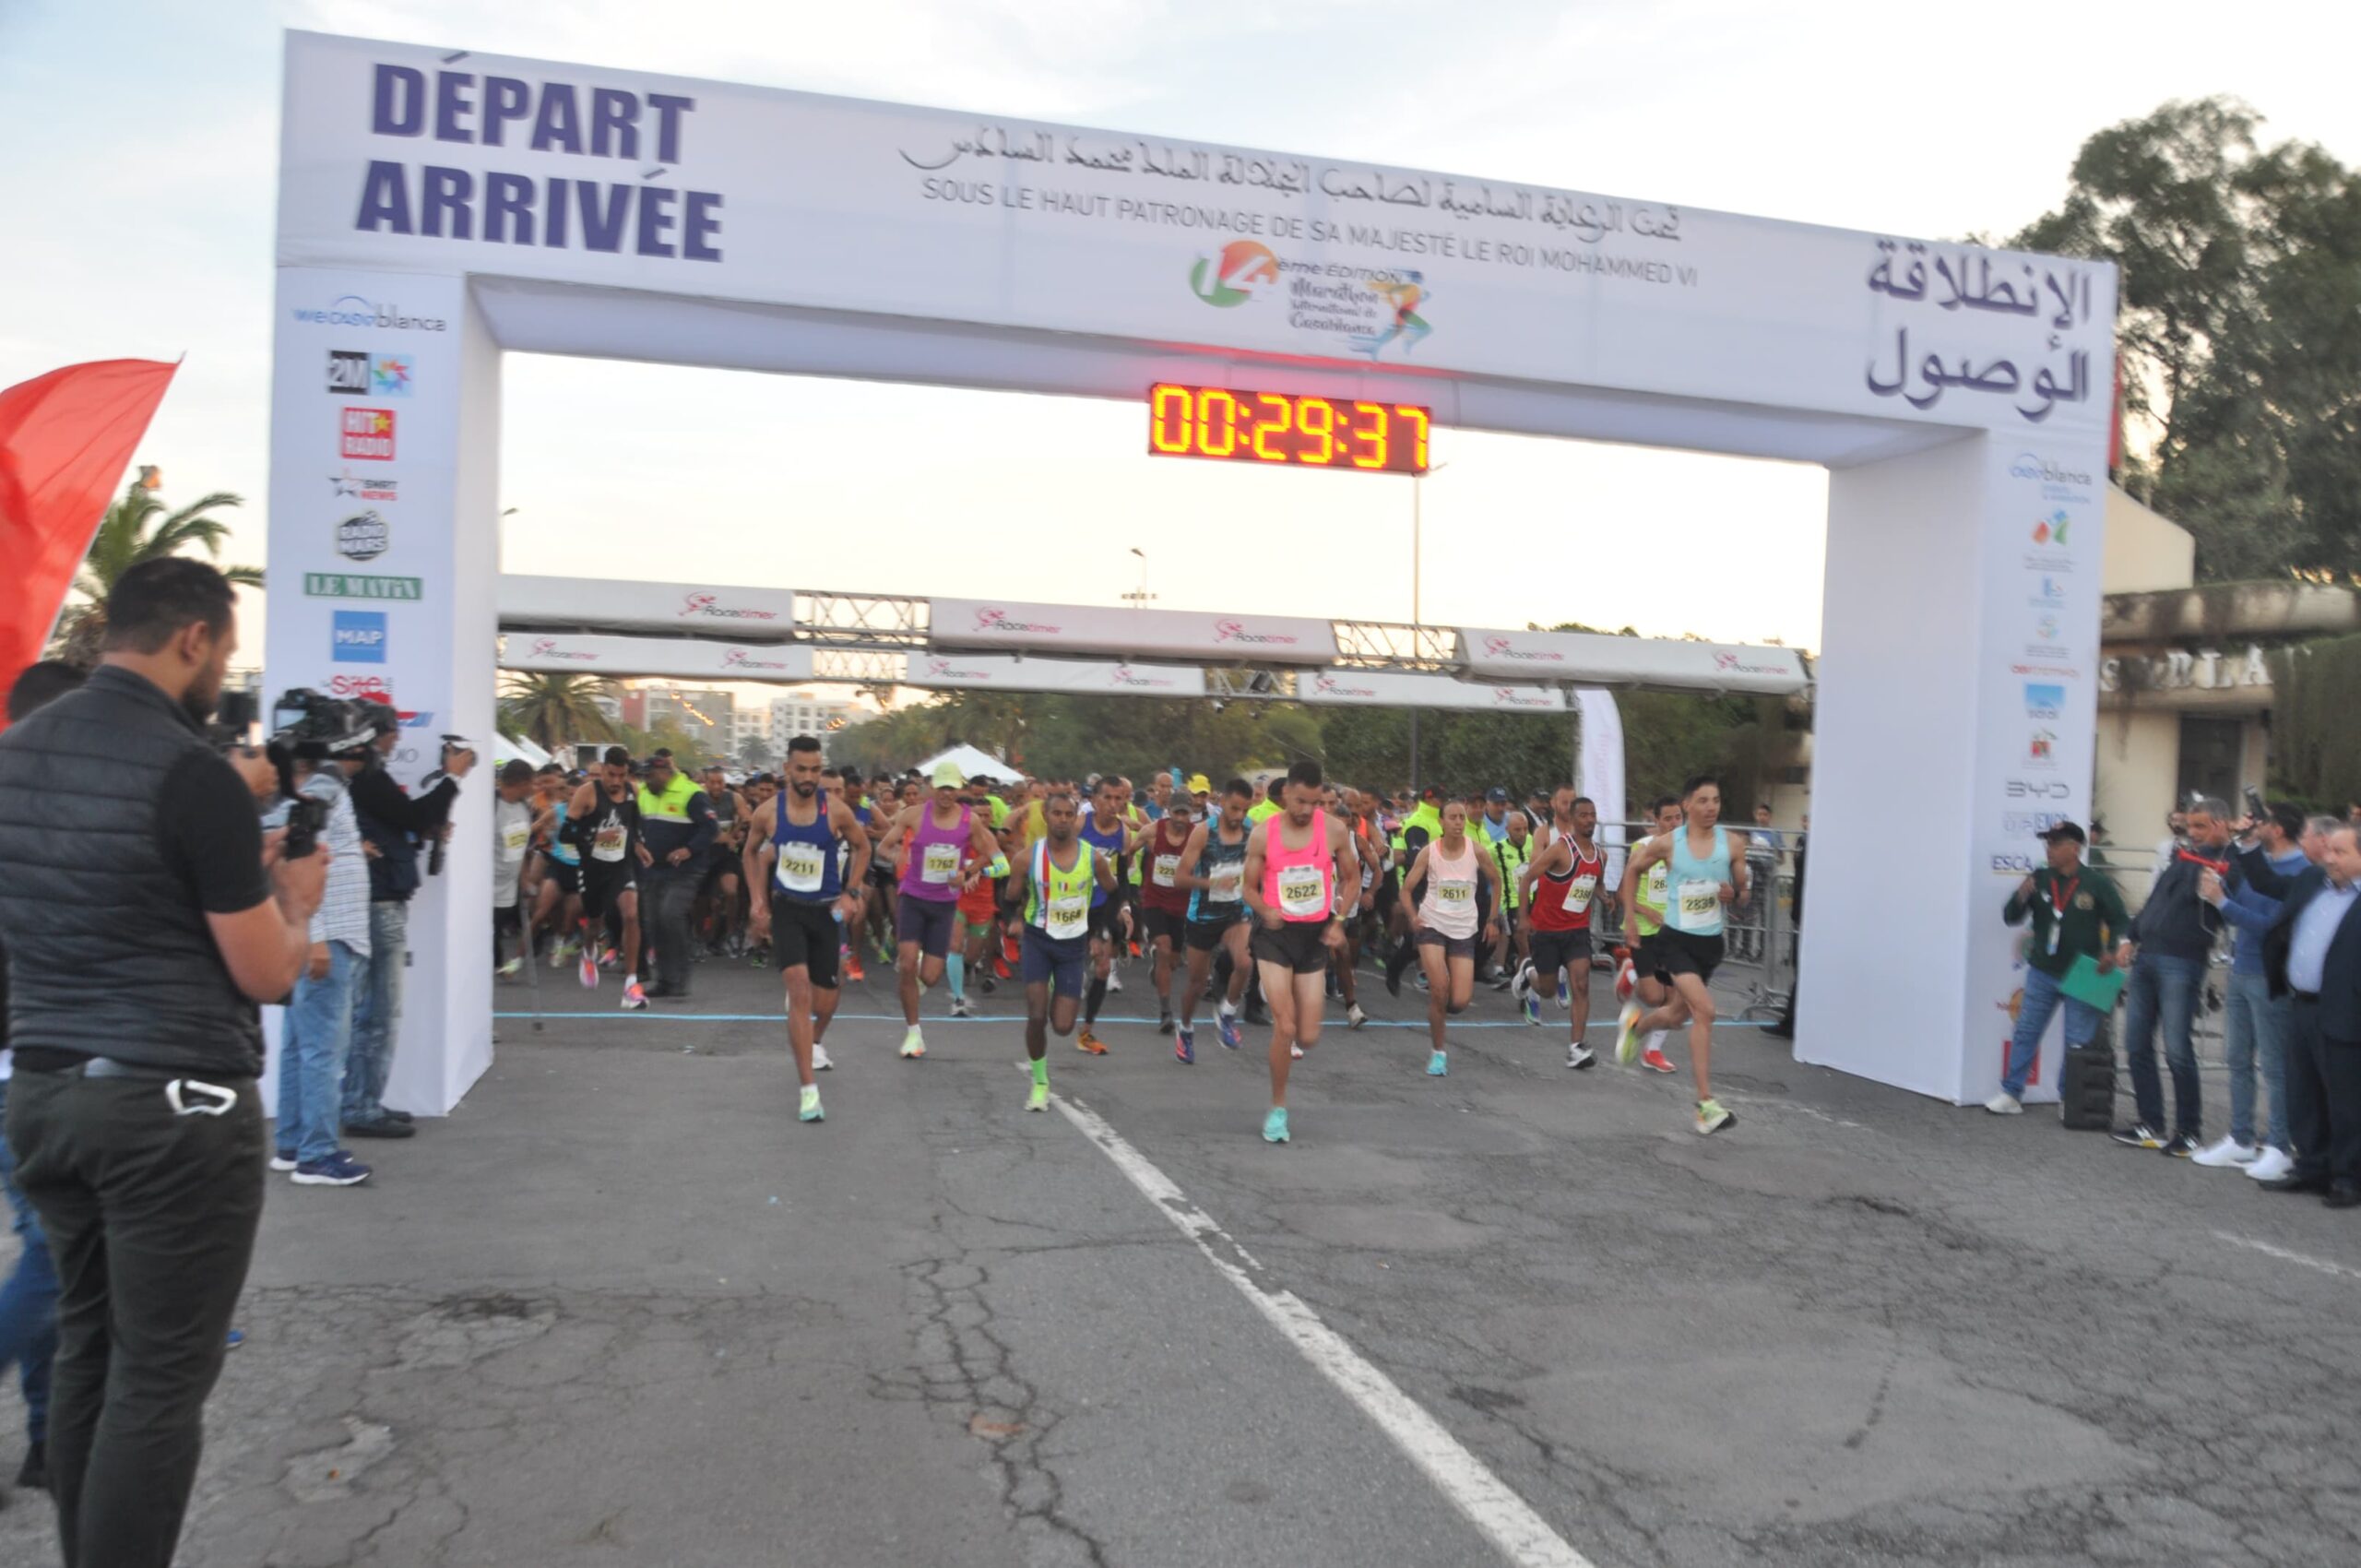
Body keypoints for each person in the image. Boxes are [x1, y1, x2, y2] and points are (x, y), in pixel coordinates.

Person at [0, 558, 327, 1566]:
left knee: (93, 1348)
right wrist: (298, 902)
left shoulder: (18, 754)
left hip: (45, 1090)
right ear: (193, 636)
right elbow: (268, 970)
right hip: (172, 1107)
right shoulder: (193, 771)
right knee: (159, 1380)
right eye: (224, 651)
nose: (221, 673)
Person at [0, 659, 85, 1498]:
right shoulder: (39, 808)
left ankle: (47, 1444)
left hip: (35, 1063)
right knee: (55, 1259)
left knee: (50, 1253)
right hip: (23, 1067)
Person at [342, 702, 470, 1134]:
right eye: (391, 731)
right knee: (379, 1011)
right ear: (371, 734)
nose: (398, 738)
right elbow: (412, 815)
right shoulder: (366, 777)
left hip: (379, 897)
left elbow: (402, 822)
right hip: (379, 903)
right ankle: (360, 1105)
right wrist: (451, 778)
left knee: (372, 1011)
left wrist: (420, 830)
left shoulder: (364, 779)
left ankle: (362, 1100)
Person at [270, 695, 379, 1187]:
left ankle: (294, 1145)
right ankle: (316, 1154)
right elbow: (296, 857)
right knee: (321, 1051)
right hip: (326, 936)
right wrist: (314, 937)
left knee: (300, 1047)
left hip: (320, 934)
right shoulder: (322, 786)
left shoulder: (314, 789)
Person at [745, 737, 871, 1123]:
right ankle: (808, 1090)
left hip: (826, 912)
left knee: (828, 994)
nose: (808, 777)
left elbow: (864, 848)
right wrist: (756, 899)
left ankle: (815, 1038)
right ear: (787, 769)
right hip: (788, 910)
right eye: (801, 769)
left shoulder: (835, 811)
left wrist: (851, 892)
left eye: (815, 769)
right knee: (798, 989)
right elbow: (750, 852)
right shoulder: (769, 812)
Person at [1615, 775, 1747, 1134]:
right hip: (1674, 942)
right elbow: (1632, 872)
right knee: (1705, 1010)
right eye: (1703, 801)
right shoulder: (1667, 844)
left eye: (1716, 800)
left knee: (1676, 1016)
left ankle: (1636, 1027)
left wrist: (1732, 894)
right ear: (1687, 805)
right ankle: (1705, 1105)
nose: (1710, 808)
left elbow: (1742, 894)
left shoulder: (1733, 844)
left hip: (1710, 943)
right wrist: (1630, 919)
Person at [1243, 760, 1361, 1144]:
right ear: (1285, 795)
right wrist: (1265, 910)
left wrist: (1339, 920)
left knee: (1308, 1036)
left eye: (1315, 803)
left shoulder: (1334, 830)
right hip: (1274, 936)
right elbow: (1248, 888)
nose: (1307, 810)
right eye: (1300, 801)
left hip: (1314, 935)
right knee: (1287, 1025)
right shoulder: (1263, 835)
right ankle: (1278, 1109)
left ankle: (1283, 1001)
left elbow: (1352, 876)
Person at [2110, 796, 2231, 1156]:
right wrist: (2131, 935)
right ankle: (2150, 1123)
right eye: (2189, 826)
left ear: (2220, 826)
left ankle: (2189, 1131)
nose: (2192, 833)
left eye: (2201, 826)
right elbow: (2154, 901)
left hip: (2183, 961)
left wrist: (2228, 844)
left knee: (2178, 1049)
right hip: (2147, 956)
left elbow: (2232, 892)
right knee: (2135, 1043)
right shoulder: (2181, 857)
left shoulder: (2228, 860)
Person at [2194, 802, 2311, 1171]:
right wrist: (2219, 887)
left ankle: (2279, 1143)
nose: (2252, 825)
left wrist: (2222, 902)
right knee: (2237, 1059)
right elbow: (2237, 899)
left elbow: (2269, 924)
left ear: (2276, 829)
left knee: (2274, 1064)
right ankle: (2241, 1137)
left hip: (2269, 974)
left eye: (2260, 822)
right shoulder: (2256, 863)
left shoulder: (2301, 871)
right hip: (2241, 968)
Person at [1987, 822, 2129, 1114]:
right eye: (2047, 843)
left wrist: (2113, 950)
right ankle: (2011, 1093)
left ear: (2074, 848)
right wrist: (2022, 895)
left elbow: (2120, 920)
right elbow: (2010, 917)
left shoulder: (2095, 883)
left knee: (2077, 1041)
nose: (2048, 850)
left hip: (2084, 972)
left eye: (2054, 844)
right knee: (2026, 1031)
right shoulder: (2039, 878)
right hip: (2042, 970)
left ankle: (2070, 1099)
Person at [2255, 821, 2361, 1206]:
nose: (2328, 858)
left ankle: (2349, 1177)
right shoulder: (2313, 883)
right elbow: (2272, 897)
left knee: (2346, 1101)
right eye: (2328, 849)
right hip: (2301, 1005)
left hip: (2346, 1012)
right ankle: (2312, 1166)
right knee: (2303, 1093)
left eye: (2340, 852)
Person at [999, 792, 1118, 1111]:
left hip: (1073, 945)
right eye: (1057, 814)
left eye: (1069, 814)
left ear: (1075, 817)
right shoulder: (1027, 858)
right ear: (1046, 816)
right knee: (1036, 1016)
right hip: (1038, 939)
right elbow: (1009, 897)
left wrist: (1100, 933)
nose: (1063, 819)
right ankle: (1040, 1082)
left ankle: (1054, 991)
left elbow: (1115, 894)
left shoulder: (1093, 858)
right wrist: (1012, 921)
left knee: (1063, 1026)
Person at [877, 762, 1000, 1058]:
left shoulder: (969, 821)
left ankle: (914, 980)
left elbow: (992, 853)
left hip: (944, 905)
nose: (946, 793)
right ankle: (913, 1033)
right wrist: (898, 857)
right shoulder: (913, 815)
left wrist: (968, 871)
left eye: (952, 788)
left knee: (930, 977)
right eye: (942, 787)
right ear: (932, 788)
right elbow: (883, 846)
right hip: (913, 899)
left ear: (959, 790)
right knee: (907, 963)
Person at [1401, 800, 1500, 1076]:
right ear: (1442, 822)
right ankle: (1438, 1052)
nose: (1458, 822)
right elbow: (1406, 889)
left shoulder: (1476, 851)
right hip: (1432, 924)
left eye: (1461, 817)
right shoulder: (1430, 853)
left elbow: (1496, 880)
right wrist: (1412, 916)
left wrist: (1492, 919)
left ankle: (1438, 1010)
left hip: (1463, 929)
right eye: (1452, 817)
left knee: (1460, 1001)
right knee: (1440, 988)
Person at [1519, 789, 1610, 1068]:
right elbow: (1527, 878)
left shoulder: (1601, 856)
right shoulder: (1560, 848)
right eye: (1583, 815)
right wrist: (1523, 917)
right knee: (1547, 990)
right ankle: (1528, 974)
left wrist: (1605, 896)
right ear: (1572, 819)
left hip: (1577, 930)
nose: (1589, 820)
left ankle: (1576, 1047)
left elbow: (1596, 882)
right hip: (1547, 930)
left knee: (1581, 984)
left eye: (1593, 815)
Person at [1173, 778, 1255, 1063]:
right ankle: (1184, 1028)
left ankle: (1227, 1015)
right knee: (1196, 984)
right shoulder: (1202, 833)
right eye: (1234, 809)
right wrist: (1213, 883)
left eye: (1244, 810)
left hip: (1235, 911)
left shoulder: (1251, 830)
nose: (1239, 816)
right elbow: (1180, 878)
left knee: (1245, 963)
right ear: (1222, 803)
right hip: (1203, 915)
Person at [565, 748, 649, 1010]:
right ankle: (589, 951)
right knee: (594, 922)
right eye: (611, 775)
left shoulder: (632, 791)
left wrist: (638, 846)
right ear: (602, 770)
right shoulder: (587, 793)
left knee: (632, 915)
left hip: (621, 865)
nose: (615, 781)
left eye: (621, 776)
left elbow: (633, 826)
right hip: (593, 868)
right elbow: (566, 833)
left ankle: (631, 986)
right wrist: (594, 837)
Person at [634, 749, 717, 1000]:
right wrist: (638, 845)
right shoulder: (645, 794)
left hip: (685, 870)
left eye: (650, 775)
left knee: (670, 914)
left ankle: (680, 977)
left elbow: (710, 828)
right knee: (654, 922)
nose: (646, 780)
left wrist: (688, 850)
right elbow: (634, 827)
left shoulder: (691, 793)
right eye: (644, 776)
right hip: (653, 869)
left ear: (664, 772)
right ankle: (665, 980)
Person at [1074, 778, 1140, 1053]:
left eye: (1119, 799)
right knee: (1072, 967)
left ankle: (1086, 1032)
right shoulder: (1080, 824)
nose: (1114, 805)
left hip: (1103, 905)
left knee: (1102, 965)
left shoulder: (1123, 832)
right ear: (1094, 799)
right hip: (1072, 904)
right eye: (1108, 798)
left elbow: (1123, 874)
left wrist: (1125, 907)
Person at [1139, 793, 1196, 1038]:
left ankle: (1158, 967)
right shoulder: (1152, 831)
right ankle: (1165, 1013)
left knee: (1173, 960)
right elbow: (1127, 851)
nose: (1181, 818)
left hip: (1182, 904)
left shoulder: (1197, 835)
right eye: (1177, 813)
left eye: (1185, 813)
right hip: (1154, 901)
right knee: (1164, 948)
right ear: (1168, 811)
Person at [491, 760, 536, 976]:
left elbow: (523, 848)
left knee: (496, 930)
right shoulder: (492, 805)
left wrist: (525, 880)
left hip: (509, 887)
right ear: (520, 782)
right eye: (531, 783)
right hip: (488, 886)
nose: (533, 788)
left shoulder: (524, 807)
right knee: (489, 935)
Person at [697, 765, 746, 958]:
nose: (717, 787)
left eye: (720, 782)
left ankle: (731, 933)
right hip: (703, 855)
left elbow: (747, 816)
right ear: (706, 782)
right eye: (713, 782)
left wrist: (738, 832)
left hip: (726, 855)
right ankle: (699, 937)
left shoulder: (734, 797)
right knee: (701, 901)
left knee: (731, 891)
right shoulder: (698, 798)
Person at [1487, 810, 1533, 990]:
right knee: (1524, 947)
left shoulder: (1533, 842)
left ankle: (1520, 975)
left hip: (1534, 903)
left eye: (1525, 829)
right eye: (1517, 830)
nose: (1522, 833)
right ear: (1507, 830)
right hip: (1512, 905)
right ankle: (1520, 980)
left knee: (1529, 949)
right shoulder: (1496, 850)